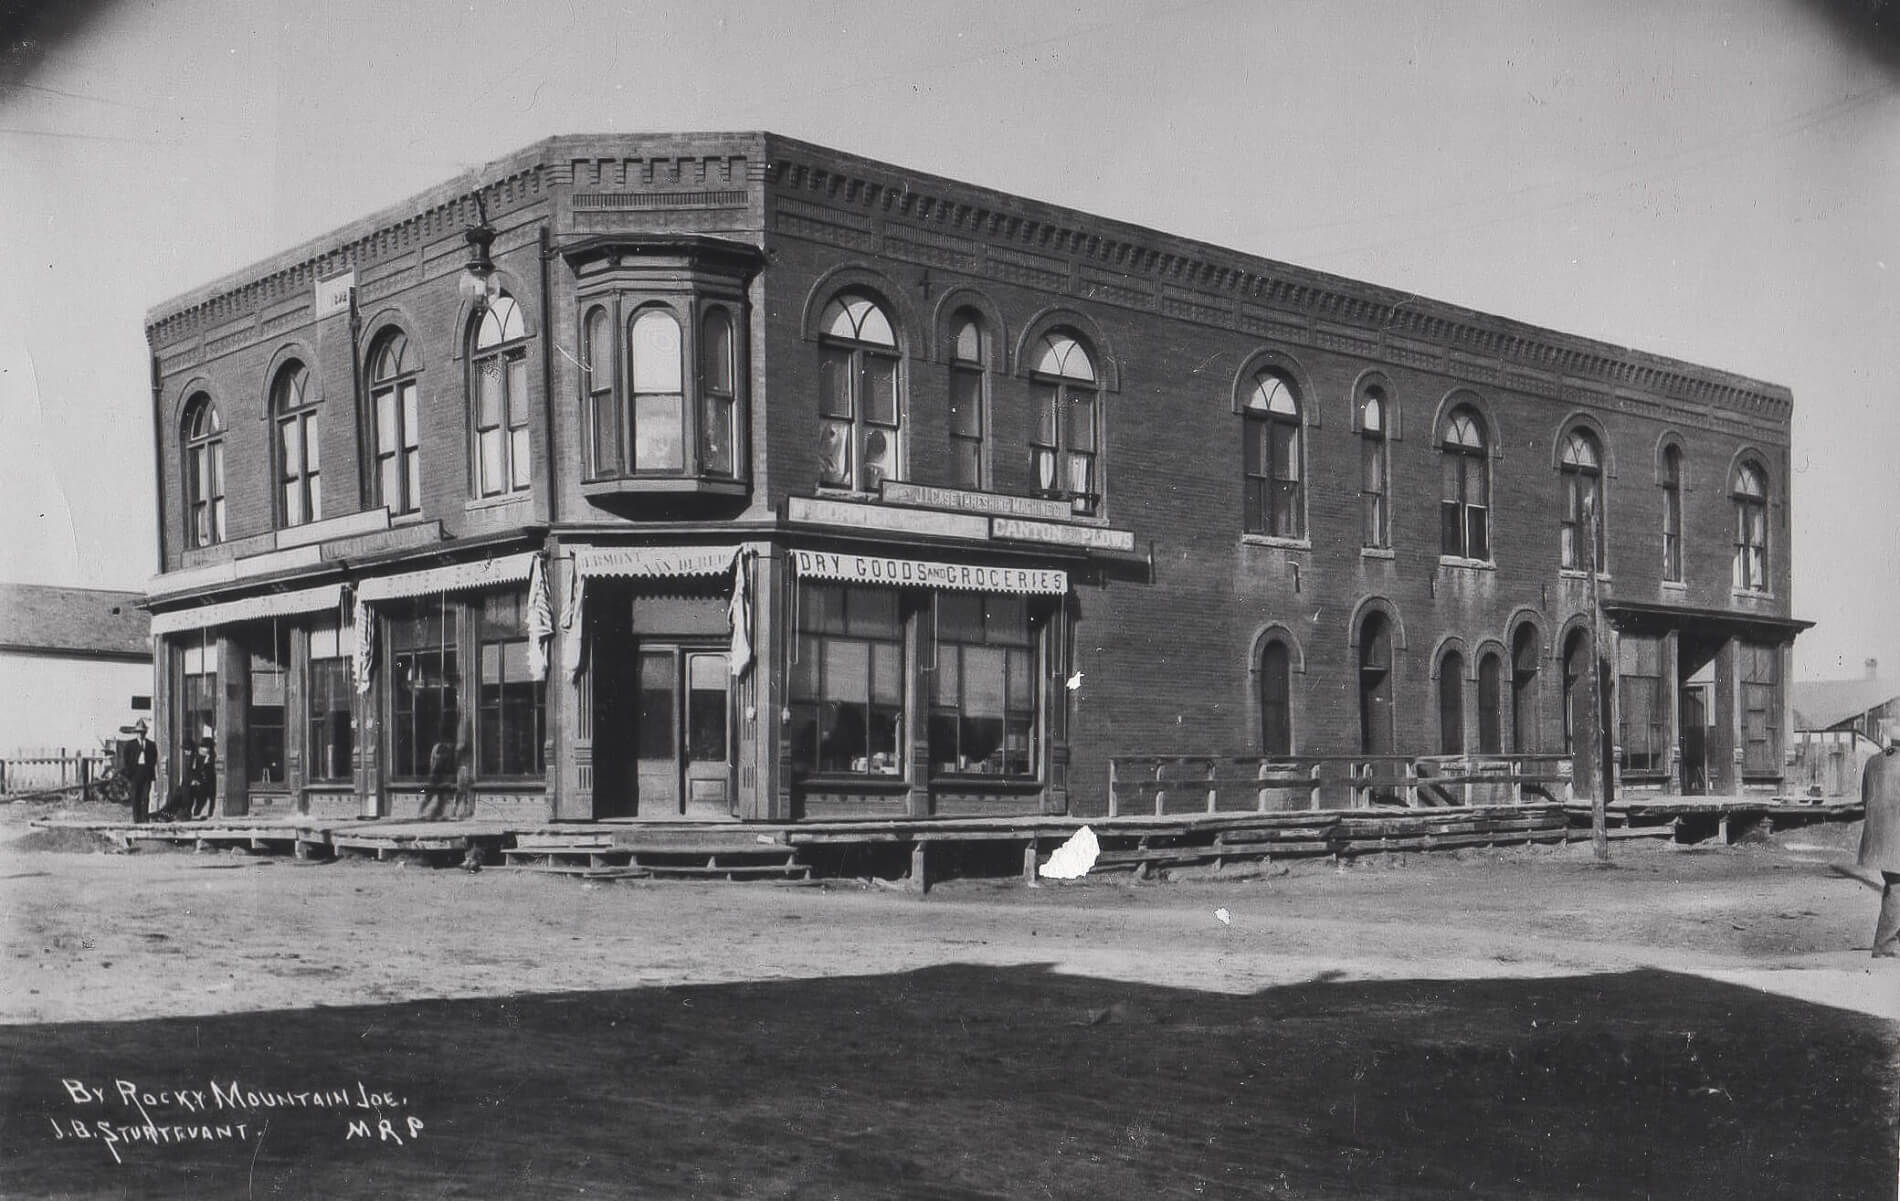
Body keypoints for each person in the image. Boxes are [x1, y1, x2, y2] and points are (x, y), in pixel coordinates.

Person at [1859, 735, 1900, 958]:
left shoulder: (1874, 761)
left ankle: (1891, 942)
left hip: (1879, 839)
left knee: (1894, 887)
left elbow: (1864, 799)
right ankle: (1884, 945)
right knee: (1897, 890)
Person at [125, 720, 158, 824]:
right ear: (136, 733)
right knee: (136, 796)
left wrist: (150, 769)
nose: (141, 734)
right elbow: (126, 759)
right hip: (135, 773)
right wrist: (130, 773)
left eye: (143, 732)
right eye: (139, 732)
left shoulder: (151, 745)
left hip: (146, 773)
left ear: (145, 733)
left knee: (145, 796)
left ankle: (145, 818)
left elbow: (154, 758)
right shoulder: (131, 745)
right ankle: (137, 819)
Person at [157, 740, 198, 820]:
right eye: (186, 750)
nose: (186, 752)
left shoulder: (194, 759)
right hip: (185, 784)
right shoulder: (188, 759)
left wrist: (194, 780)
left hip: (189, 785)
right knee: (175, 800)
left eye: (188, 750)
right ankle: (165, 814)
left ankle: (175, 815)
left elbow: (194, 771)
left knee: (183, 800)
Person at [188, 737, 218, 821]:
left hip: (210, 782)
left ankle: (209, 813)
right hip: (200, 783)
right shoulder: (198, 758)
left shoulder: (213, 757)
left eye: (206, 748)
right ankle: (196, 812)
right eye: (203, 748)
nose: (204, 750)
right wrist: (195, 780)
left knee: (211, 797)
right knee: (198, 796)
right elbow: (194, 770)